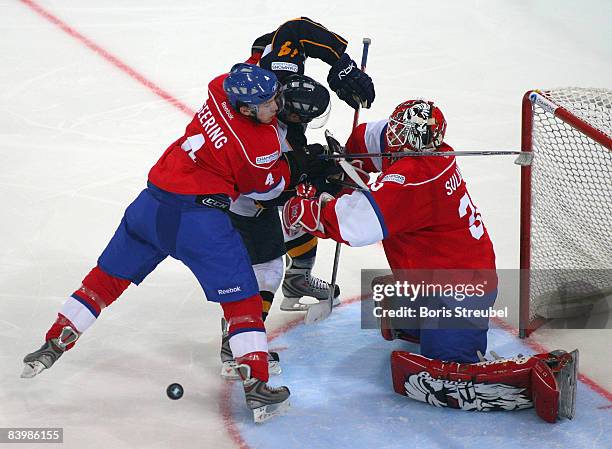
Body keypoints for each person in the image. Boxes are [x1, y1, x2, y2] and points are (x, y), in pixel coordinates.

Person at [21, 63, 332, 422]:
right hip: (199, 224)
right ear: (246, 109)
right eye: (267, 103)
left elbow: (237, 77)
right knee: (244, 300)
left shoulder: (219, 90)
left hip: (150, 209)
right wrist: (301, 164)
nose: (276, 106)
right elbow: (269, 188)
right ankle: (258, 389)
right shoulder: (257, 143)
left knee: (105, 280)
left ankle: (55, 339)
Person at [281, 99, 578, 422]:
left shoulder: (415, 178)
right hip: (439, 275)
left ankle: (534, 375)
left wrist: (311, 208)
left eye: (399, 135)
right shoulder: (426, 145)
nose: (391, 138)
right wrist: (346, 159)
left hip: (461, 292)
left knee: (448, 368)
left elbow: (354, 225)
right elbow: (371, 136)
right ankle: (411, 315)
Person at [248, 17, 375, 312]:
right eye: (302, 118)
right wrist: (322, 176)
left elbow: (296, 29)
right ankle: (243, 323)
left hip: (266, 164)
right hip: (244, 192)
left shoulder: (274, 77)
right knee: (295, 204)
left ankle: (298, 278)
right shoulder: (265, 136)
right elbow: (272, 182)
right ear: (289, 115)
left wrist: (341, 64)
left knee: (303, 196)